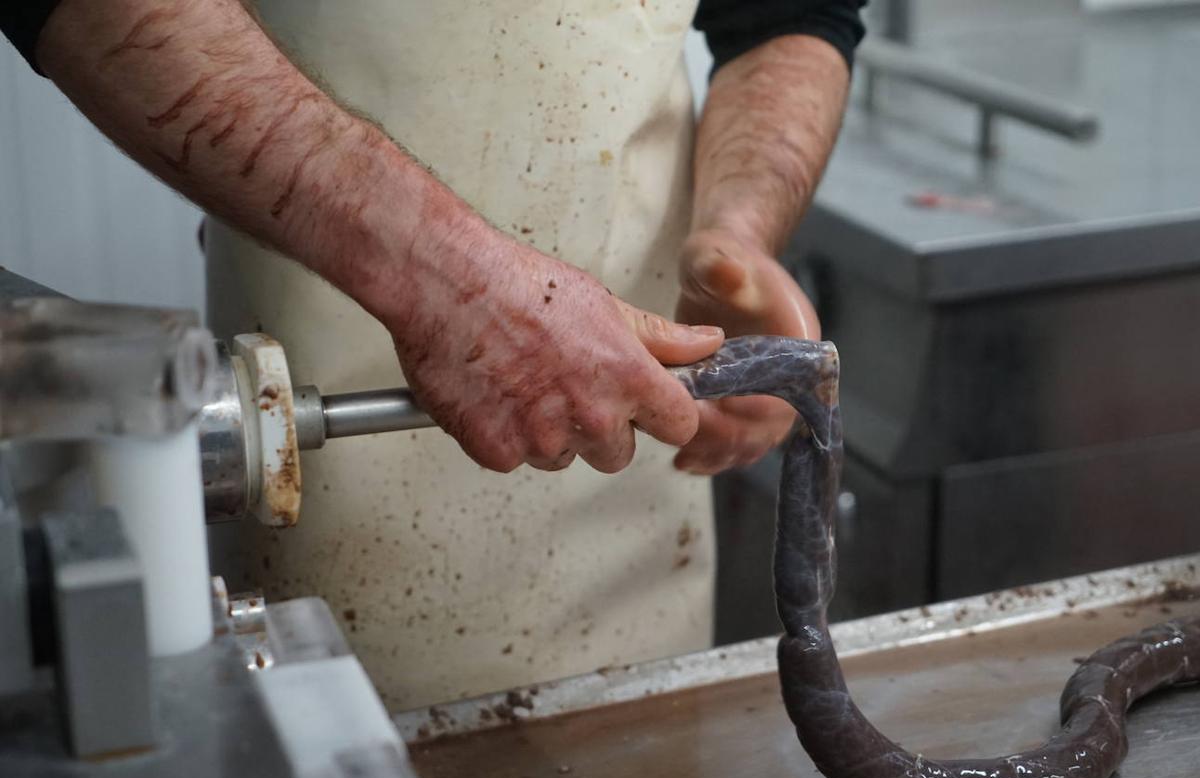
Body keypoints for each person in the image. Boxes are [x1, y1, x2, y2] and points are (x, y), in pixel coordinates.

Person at [2, 0, 864, 709]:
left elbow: (786, 14)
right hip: (332, 441)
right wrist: (438, 279)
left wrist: (740, 229)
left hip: (639, 462)